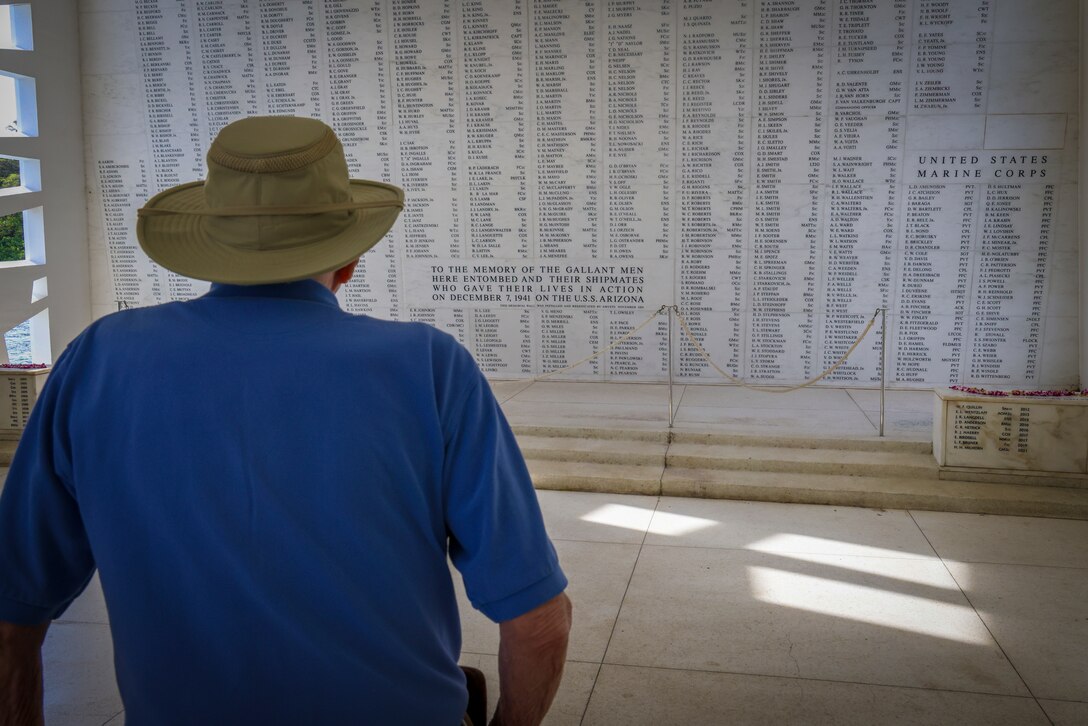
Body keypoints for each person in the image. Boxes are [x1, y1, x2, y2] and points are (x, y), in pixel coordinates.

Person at [0, 116, 571, 725]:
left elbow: (11, 618)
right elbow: (539, 624)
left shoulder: (98, 359)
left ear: (208, 247)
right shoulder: (430, 366)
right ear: (349, 258)